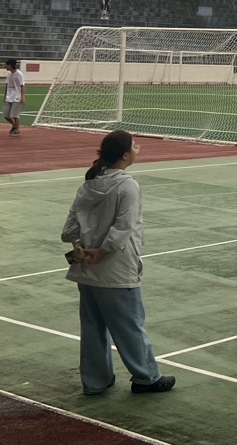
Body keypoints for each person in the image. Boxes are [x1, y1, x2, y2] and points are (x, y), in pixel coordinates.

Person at [61, 130, 174, 395]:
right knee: (129, 325)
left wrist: (79, 247)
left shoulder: (88, 184)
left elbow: (69, 227)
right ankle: (146, 377)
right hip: (117, 269)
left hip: (85, 271)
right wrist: (101, 252)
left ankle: (95, 381)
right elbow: (124, 227)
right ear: (124, 155)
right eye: (134, 146)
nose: (137, 149)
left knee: (92, 327)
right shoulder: (127, 186)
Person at [2, 57, 25, 136]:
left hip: (17, 96)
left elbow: (22, 86)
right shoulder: (9, 75)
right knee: (6, 115)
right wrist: (5, 96)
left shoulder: (19, 74)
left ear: (10, 65)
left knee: (15, 115)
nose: (5, 66)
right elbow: (7, 85)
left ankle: (17, 130)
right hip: (9, 97)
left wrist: (22, 97)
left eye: (6, 65)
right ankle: (14, 125)